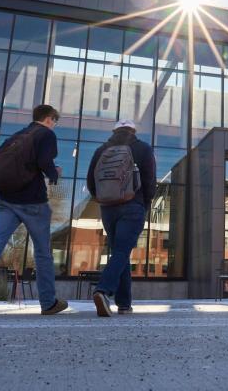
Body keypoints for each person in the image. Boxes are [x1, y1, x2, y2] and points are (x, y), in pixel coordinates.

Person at [0, 105, 69, 317]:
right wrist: (54, 175)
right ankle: (48, 303)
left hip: (5, 200)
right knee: (42, 252)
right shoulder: (46, 134)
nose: (54, 124)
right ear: (49, 118)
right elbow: (45, 162)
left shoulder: (17, 135)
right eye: (55, 121)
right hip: (32, 202)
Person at [87, 119, 156, 316]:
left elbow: (91, 180)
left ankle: (124, 304)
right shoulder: (142, 148)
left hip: (108, 207)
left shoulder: (101, 149)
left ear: (114, 131)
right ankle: (102, 290)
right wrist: (146, 202)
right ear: (133, 130)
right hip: (133, 204)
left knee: (120, 251)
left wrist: (100, 197)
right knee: (123, 250)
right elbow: (150, 179)